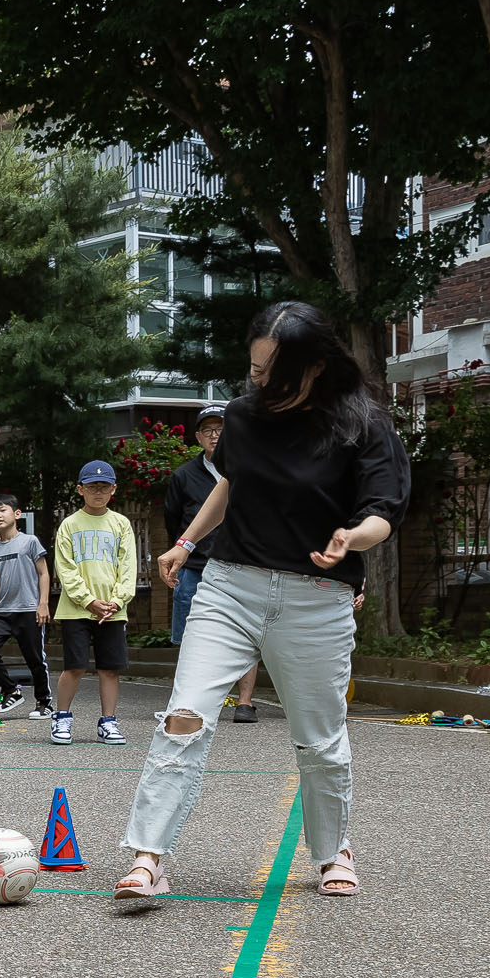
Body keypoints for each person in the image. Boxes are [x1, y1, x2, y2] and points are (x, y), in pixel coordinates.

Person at [119, 301, 407, 902]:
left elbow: (382, 512)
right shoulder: (245, 418)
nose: (259, 384)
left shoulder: (364, 425)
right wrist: (185, 542)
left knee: (318, 737)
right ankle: (149, 857)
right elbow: (229, 482)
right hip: (231, 585)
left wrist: (352, 538)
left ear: (316, 367)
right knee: (184, 716)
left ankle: (333, 851)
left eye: (272, 373)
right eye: (254, 371)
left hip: (316, 599)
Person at [164, 403, 262, 722]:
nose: (215, 435)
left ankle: (244, 701)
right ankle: (191, 702)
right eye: (208, 430)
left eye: (221, 429)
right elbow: (173, 519)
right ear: (197, 437)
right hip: (195, 567)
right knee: (194, 635)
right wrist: (184, 547)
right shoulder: (184, 476)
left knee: (245, 634)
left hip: (241, 563)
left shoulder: (250, 468)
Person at [49, 459, 138, 747]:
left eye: (104, 487)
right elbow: (65, 568)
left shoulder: (121, 523)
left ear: (114, 489)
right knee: (74, 666)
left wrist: (116, 600)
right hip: (76, 609)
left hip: (113, 610)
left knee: (110, 667)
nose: (98, 492)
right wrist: (88, 601)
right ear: (80, 489)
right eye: (91, 487)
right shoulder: (69, 525)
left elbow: (128, 567)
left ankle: (108, 722)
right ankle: (62, 717)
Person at [0, 496, 52, 716]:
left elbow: (44, 573)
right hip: (2, 612)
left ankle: (44, 703)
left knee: (35, 659)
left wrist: (43, 604)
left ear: (16, 514)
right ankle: (11, 691)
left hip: (29, 610)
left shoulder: (30, 541)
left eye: (2, 510)